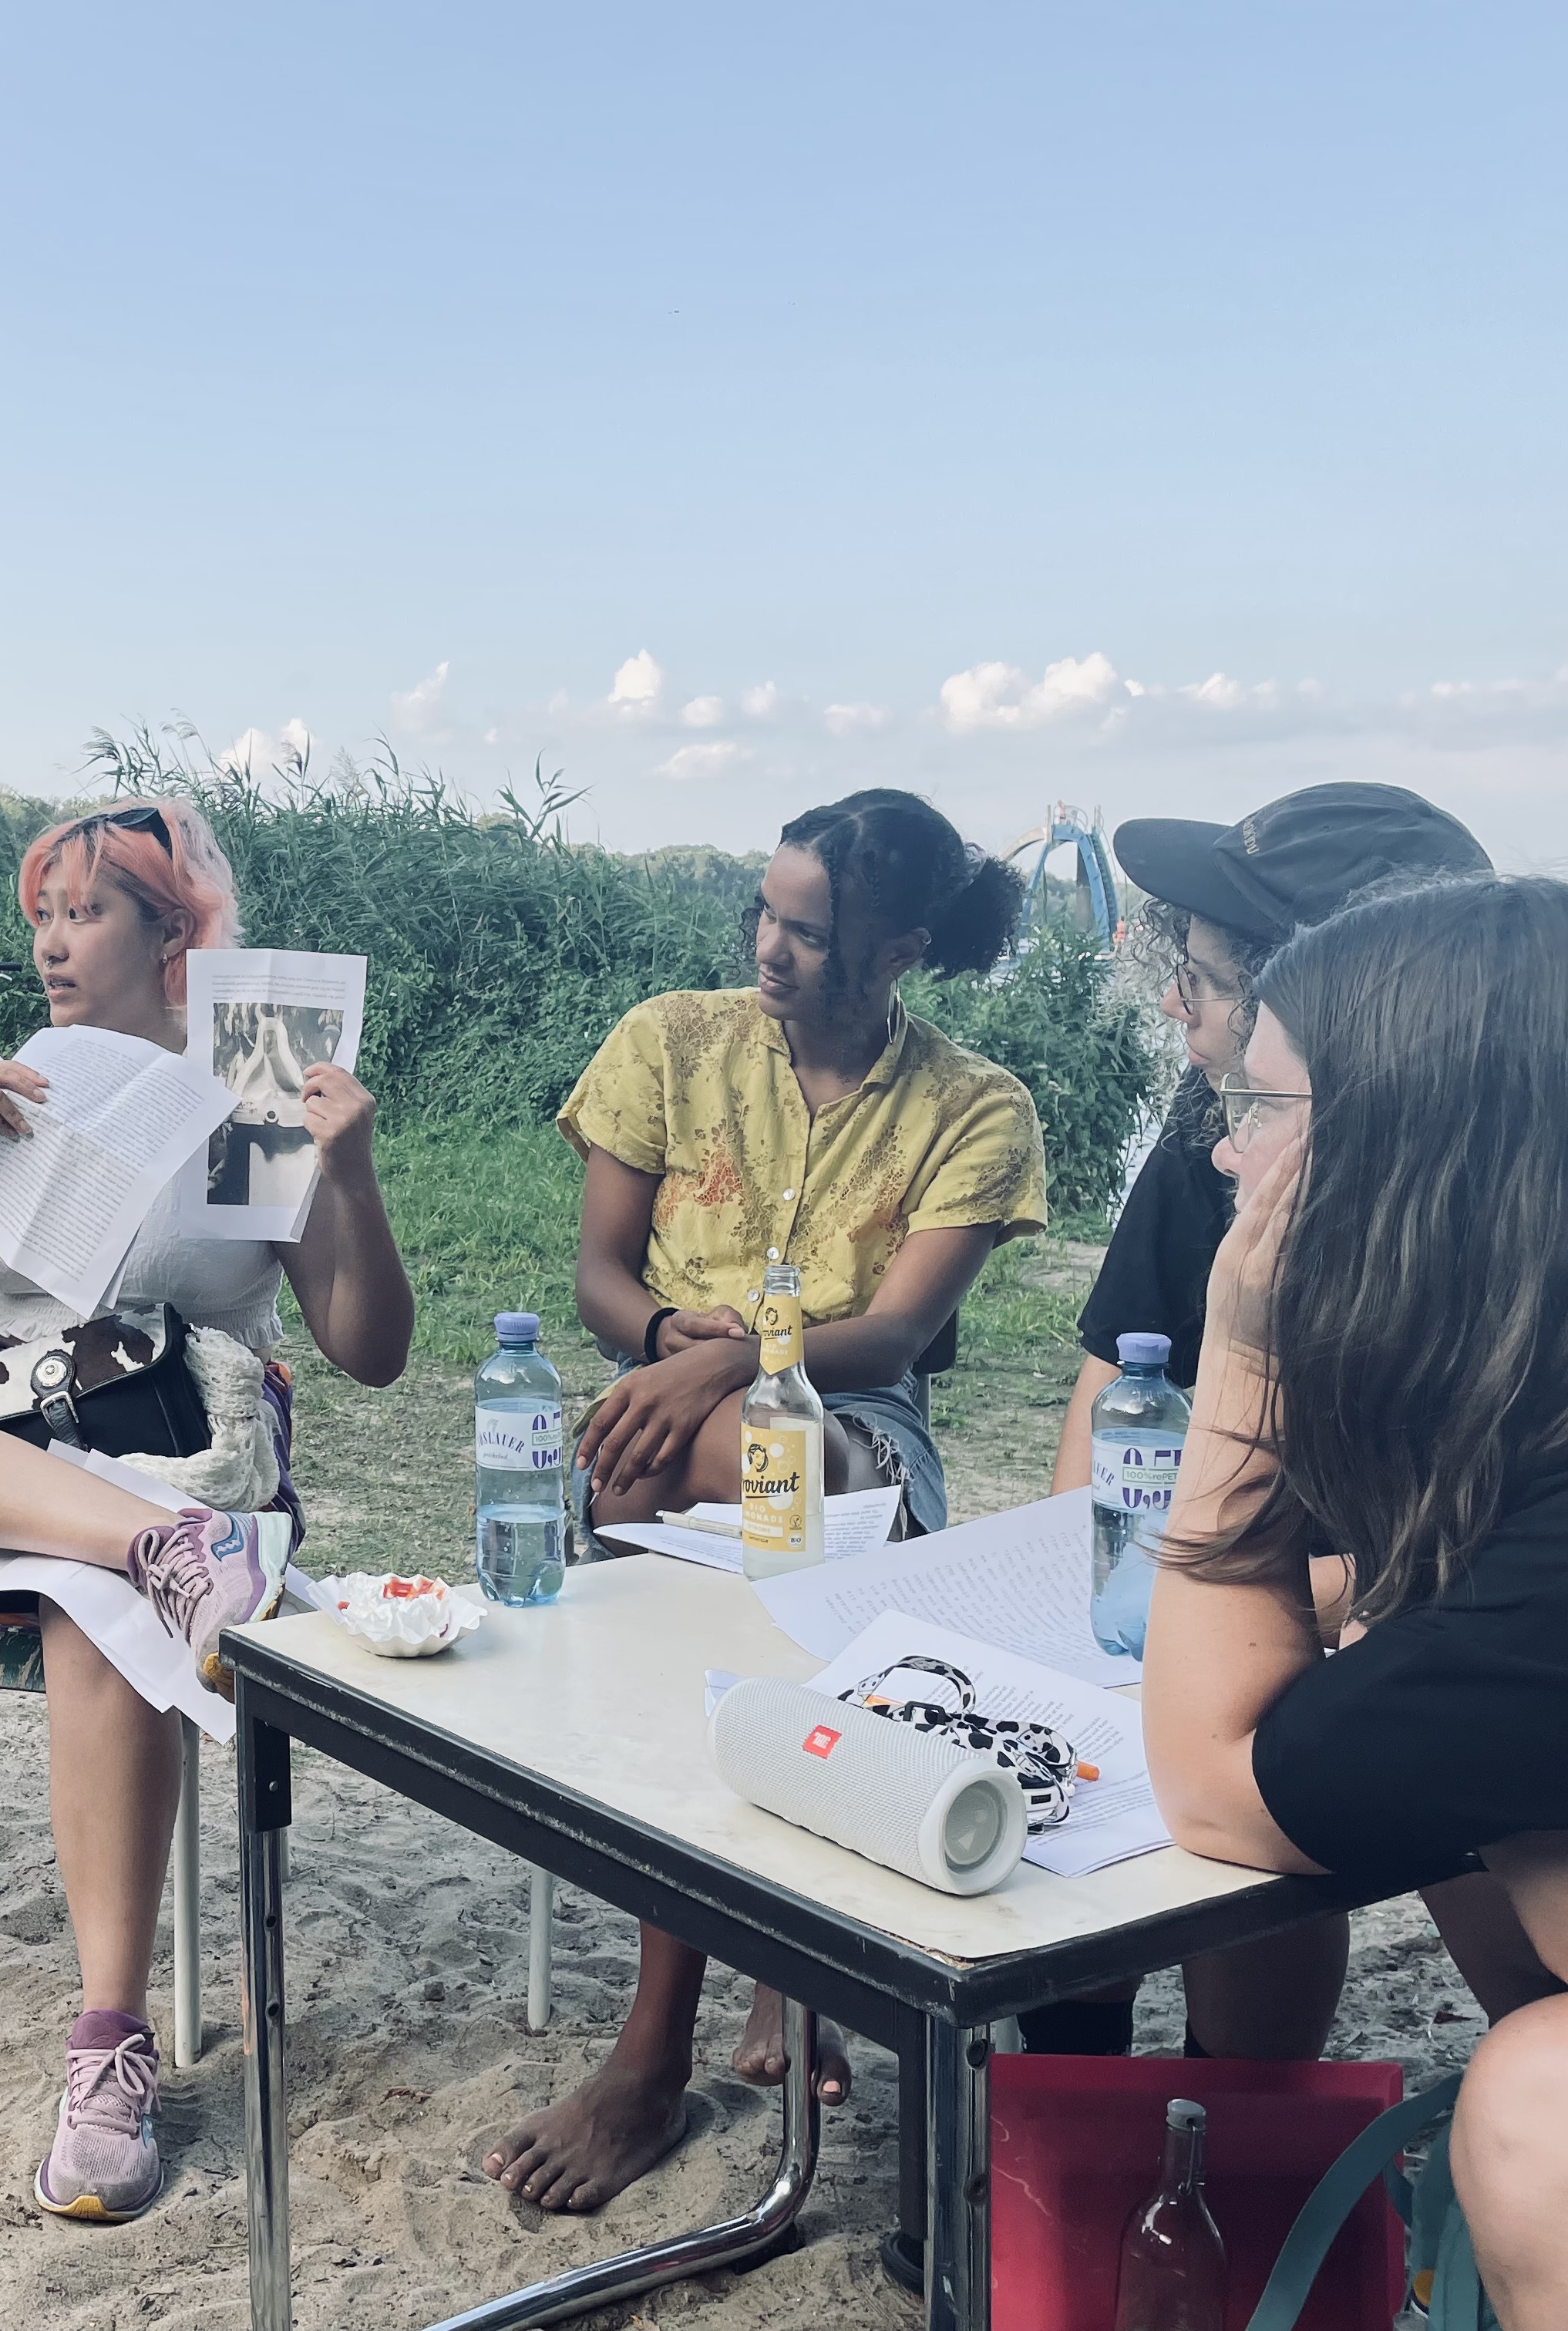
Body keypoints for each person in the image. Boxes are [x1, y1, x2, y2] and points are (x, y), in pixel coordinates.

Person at [1144, 873, 1568, 2328]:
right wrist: (1545, 1820)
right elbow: (1420, 1655)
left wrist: (1241, 1362)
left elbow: (1221, 1785)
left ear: (1424, 1154)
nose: (1230, 1154)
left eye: (1266, 1108)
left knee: (1566, 2129)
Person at [0, 799, 414, 2224]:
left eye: (87, 913)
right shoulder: (30, 1077)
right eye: (43, 916)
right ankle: (150, 1552)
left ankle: (108, 2043)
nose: (54, 945)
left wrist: (351, 1178)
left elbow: (369, 1350)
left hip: (170, 1455)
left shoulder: (252, 1087)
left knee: (98, 1606)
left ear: (171, 929)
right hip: (5, 1460)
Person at [485, 788, 1048, 2214]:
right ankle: (777, 1967)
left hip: (854, 1440)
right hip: (661, 1418)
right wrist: (662, 1339)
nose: (769, 950)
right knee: (698, 1507)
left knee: (752, 1479)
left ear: (902, 949)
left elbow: (898, 1336)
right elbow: (600, 1279)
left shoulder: (975, 1106)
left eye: (810, 931)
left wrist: (738, 1358)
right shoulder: (670, 1042)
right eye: (764, 913)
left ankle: (651, 2055)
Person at [1026, 781, 1502, 2062]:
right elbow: (1108, 1387)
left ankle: (1243, 2100)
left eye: (1212, 976)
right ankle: (1074, 2074)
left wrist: (1248, 1593)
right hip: (1244, 1562)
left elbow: (1491, 1565)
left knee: (1305, 1752)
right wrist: (1099, 1578)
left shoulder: (1499, 1224)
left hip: (1386, 1606)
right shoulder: (1213, 1142)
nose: (1176, 1001)